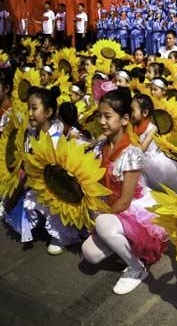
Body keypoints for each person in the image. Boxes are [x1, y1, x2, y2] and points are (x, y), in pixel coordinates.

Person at [80, 89, 168, 294]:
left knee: (102, 224)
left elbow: (125, 201)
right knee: (89, 254)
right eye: (100, 116)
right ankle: (119, 242)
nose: (102, 121)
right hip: (110, 209)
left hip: (131, 210)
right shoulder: (101, 145)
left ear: (125, 119)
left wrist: (99, 217)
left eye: (107, 116)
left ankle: (137, 268)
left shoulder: (131, 152)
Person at [5, 86, 81, 254]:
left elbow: (65, 180)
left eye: (34, 108)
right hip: (34, 186)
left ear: (48, 112)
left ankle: (60, 235)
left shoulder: (56, 140)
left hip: (57, 190)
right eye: (28, 108)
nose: (30, 113)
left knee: (54, 204)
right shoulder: (30, 133)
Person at [131, 94, 177, 196]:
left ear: (145, 112)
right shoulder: (132, 127)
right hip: (142, 163)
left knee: (169, 186)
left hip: (156, 163)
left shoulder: (152, 128)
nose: (130, 113)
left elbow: (142, 148)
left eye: (133, 110)